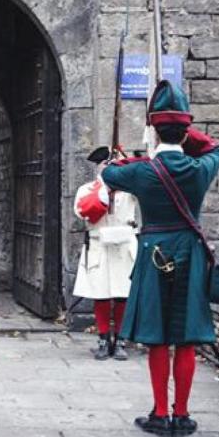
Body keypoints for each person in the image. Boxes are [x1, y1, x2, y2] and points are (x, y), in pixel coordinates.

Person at [101, 80, 219, 437]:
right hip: (190, 251)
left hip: (153, 250)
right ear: (185, 131)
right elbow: (212, 147)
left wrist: (143, 151)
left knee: (158, 338)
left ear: (153, 131)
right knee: (185, 339)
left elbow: (108, 172)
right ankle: (181, 415)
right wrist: (183, 132)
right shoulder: (201, 168)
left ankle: (158, 413)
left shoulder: (141, 171)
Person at [73, 146, 139, 361]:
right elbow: (84, 212)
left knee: (122, 295)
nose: (110, 168)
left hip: (123, 247)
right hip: (99, 245)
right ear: (98, 167)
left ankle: (119, 340)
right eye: (105, 164)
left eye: (114, 164)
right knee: (100, 294)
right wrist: (104, 191)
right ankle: (103, 339)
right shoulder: (87, 189)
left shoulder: (130, 189)